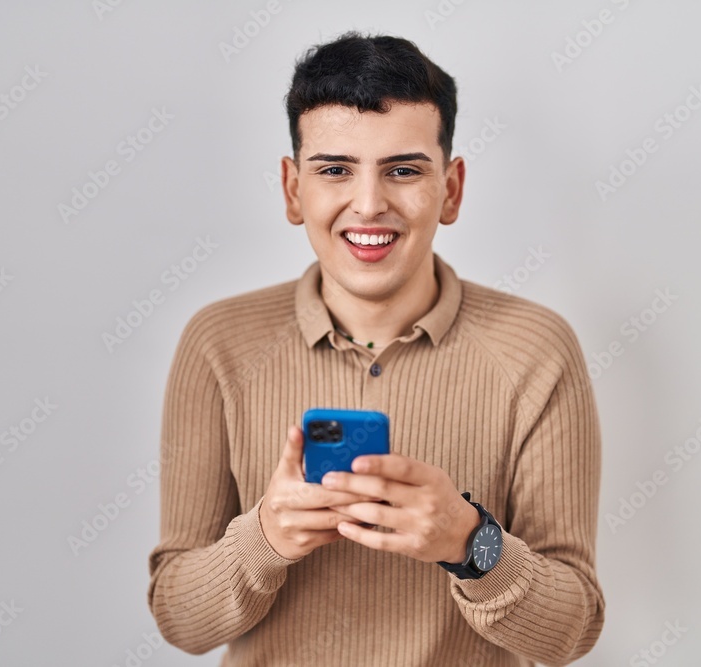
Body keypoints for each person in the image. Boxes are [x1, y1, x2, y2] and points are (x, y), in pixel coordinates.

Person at [146, 31, 605, 666]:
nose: (368, 204)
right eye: (335, 169)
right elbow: (179, 619)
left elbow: (571, 632)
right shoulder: (219, 342)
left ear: (450, 189)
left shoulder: (537, 349)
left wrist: (472, 543)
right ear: (291, 188)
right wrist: (264, 540)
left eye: (404, 170)